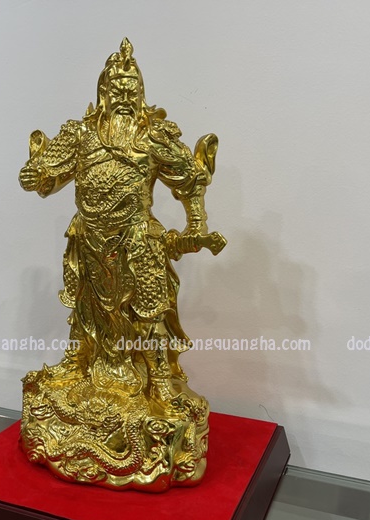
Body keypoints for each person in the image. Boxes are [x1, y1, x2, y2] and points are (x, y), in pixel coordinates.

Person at [19, 38, 225, 491]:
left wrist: (196, 224)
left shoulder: (153, 136)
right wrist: (35, 173)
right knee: (86, 309)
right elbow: (45, 176)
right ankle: (78, 364)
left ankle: (160, 381)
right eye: (117, 88)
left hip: (137, 237)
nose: (125, 95)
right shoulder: (80, 135)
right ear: (104, 92)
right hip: (89, 238)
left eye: (133, 89)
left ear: (142, 92)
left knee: (149, 310)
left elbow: (190, 179)